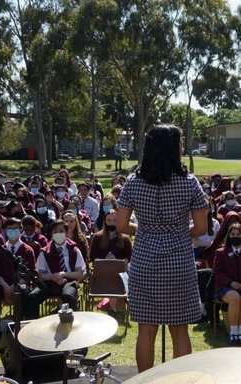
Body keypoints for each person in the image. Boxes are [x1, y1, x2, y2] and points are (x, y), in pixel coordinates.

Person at [116, 123, 208, 373]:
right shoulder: (189, 183)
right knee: (180, 329)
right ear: (172, 149)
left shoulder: (133, 183)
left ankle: (145, 380)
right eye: (179, 144)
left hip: (144, 263)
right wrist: (176, 233)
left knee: (146, 328)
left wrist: (146, 231)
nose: (181, 147)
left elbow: (122, 225)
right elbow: (201, 228)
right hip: (179, 264)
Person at [0, 217, 36, 343]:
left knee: (24, 292)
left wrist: (15, 285)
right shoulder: (0, 250)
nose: (12, 231)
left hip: (21, 284)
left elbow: (29, 273)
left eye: (15, 229)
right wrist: (6, 287)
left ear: (20, 230)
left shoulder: (28, 250)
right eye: (9, 229)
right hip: (3, 285)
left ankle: (22, 328)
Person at [27, 219, 86, 319]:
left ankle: (73, 323)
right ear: (51, 234)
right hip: (49, 281)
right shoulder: (45, 251)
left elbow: (79, 274)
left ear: (66, 233)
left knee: (68, 296)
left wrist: (63, 274)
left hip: (68, 281)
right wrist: (52, 277)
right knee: (32, 297)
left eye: (61, 231)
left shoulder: (74, 250)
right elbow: (40, 274)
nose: (58, 234)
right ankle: (32, 326)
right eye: (55, 231)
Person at [212, 222, 241, 345]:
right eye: (232, 234)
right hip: (224, 287)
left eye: (238, 234)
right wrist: (231, 282)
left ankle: (240, 331)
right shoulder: (220, 252)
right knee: (235, 297)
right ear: (228, 236)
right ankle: (233, 332)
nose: (235, 236)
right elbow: (217, 273)